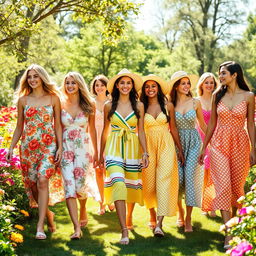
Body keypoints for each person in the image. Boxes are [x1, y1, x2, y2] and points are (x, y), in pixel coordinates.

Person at [199, 61, 256, 249]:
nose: (220, 77)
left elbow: (250, 125)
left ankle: (236, 226)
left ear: (234, 75)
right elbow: (211, 125)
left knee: (236, 189)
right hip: (219, 144)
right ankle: (228, 234)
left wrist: (254, 149)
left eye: (223, 73)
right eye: (219, 74)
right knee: (223, 186)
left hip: (240, 144)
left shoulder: (249, 96)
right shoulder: (217, 96)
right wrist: (203, 148)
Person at [6, 64, 64, 240]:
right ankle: (48, 215)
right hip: (28, 148)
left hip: (48, 146)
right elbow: (18, 127)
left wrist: (60, 147)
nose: (32, 80)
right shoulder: (23, 101)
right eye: (29, 77)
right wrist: (11, 147)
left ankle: (40, 227)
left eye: (35, 76)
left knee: (42, 180)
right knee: (34, 186)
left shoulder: (53, 98)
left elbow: (58, 126)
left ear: (42, 78)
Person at [99, 69, 149, 245]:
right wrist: (100, 154)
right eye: (122, 83)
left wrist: (145, 152)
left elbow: (141, 131)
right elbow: (105, 132)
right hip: (113, 150)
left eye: (128, 83)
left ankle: (128, 219)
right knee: (119, 185)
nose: (125, 86)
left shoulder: (139, 105)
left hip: (132, 150)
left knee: (129, 187)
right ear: (117, 86)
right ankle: (124, 230)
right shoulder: (108, 105)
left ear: (132, 86)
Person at [140, 74, 184, 237]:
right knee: (149, 184)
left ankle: (159, 224)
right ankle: (152, 214)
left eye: (153, 86)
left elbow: (173, 129)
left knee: (164, 182)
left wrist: (179, 150)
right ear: (144, 90)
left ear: (158, 88)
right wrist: (143, 151)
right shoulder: (141, 106)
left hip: (166, 145)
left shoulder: (168, 105)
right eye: (147, 87)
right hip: (148, 147)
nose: (150, 89)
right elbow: (140, 130)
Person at [61, 72, 100, 239]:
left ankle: (83, 207)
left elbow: (92, 129)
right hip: (65, 149)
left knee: (80, 187)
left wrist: (96, 152)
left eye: (73, 83)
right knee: (69, 187)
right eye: (67, 83)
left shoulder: (89, 104)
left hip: (83, 149)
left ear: (79, 85)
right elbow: (57, 127)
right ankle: (76, 228)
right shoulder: (60, 103)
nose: (70, 86)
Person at [169, 71, 206, 233]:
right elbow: (171, 127)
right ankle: (180, 212)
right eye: (182, 83)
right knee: (178, 179)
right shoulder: (170, 104)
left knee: (190, 177)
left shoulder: (195, 102)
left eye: (188, 83)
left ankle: (189, 218)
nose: (186, 86)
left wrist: (208, 144)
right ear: (176, 86)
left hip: (193, 142)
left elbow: (203, 126)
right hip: (175, 144)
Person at [91, 74, 114, 215]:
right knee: (98, 171)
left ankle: (109, 200)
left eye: (102, 85)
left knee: (109, 170)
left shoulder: (112, 102)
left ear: (107, 87)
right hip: (94, 138)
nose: (99, 88)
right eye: (96, 85)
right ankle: (101, 203)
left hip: (109, 138)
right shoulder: (91, 102)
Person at [196, 73, 218, 217]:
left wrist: (215, 138)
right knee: (204, 172)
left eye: (211, 83)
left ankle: (213, 206)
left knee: (215, 172)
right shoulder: (196, 100)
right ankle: (206, 203)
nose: (209, 85)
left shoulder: (217, 99)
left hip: (217, 137)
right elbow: (199, 122)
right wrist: (208, 140)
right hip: (202, 137)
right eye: (206, 82)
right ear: (201, 84)